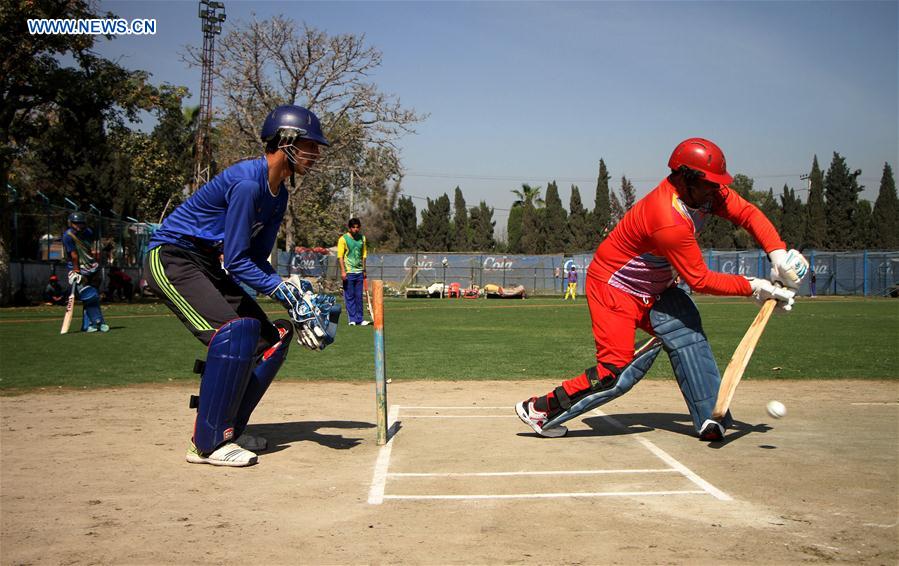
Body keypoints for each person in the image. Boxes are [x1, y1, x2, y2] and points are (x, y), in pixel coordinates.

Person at [516, 138, 809, 441]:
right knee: (613, 373)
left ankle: (710, 417)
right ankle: (540, 409)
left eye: (716, 183)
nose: (715, 190)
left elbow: (748, 214)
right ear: (685, 178)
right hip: (615, 288)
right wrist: (758, 287)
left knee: (688, 332)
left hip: (657, 287)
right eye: (707, 183)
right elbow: (700, 279)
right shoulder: (667, 217)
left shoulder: (707, 193)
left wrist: (778, 256)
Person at [145, 104, 339, 467]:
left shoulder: (278, 195)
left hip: (205, 264)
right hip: (172, 257)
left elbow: (254, 260)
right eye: (311, 145)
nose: (315, 154)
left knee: (272, 338)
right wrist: (280, 290)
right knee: (235, 333)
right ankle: (206, 444)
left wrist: (294, 298)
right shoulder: (249, 183)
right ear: (286, 141)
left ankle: (230, 429)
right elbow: (235, 260)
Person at [62, 212, 108, 332]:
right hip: (79, 269)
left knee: (93, 297)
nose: (79, 226)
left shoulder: (88, 232)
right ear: (70, 223)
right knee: (88, 296)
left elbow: (88, 249)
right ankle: (94, 323)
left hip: (92, 267)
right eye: (76, 223)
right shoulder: (68, 236)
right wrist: (76, 270)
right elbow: (74, 255)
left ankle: (92, 324)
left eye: (81, 223)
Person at [337, 218, 370, 326]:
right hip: (349, 272)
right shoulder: (343, 239)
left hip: (359, 272)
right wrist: (343, 271)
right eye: (353, 227)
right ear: (349, 228)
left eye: (357, 227)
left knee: (359, 296)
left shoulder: (362, 238)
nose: (356, 229)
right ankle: (352, 319)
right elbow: (340, 257)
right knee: (349, 296)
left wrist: (364, 270)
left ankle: (360, 319)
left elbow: (364, 254)